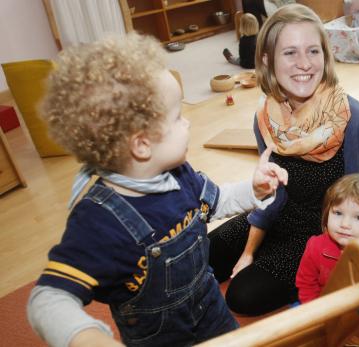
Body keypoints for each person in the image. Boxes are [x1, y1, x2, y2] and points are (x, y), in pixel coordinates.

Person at [26, 32, 288, 347]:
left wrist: (254, 190)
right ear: (141, 145)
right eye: (177, 117)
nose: (188, 124)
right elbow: (47, 298)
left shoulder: (180, 175)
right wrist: (86, 337)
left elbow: (217, 202)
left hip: (211, 313)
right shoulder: (98, 222)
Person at [208, 3, 359, 316]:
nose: (304, 64)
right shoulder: (267, 117)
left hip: (322, 235)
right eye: (290, 52)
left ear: (325, 55)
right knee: (201, 256)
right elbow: (272, 197)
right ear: (268, 60)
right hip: (274, 217)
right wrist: (249, 250)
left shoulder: (356, 120)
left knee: (241, 297)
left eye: (313, 51)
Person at [295, 173, 359, 304]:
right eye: (338, 213)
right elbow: (306, 284)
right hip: (321, 308)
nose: (345, 224)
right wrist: (317, 313)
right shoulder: (315, 246)